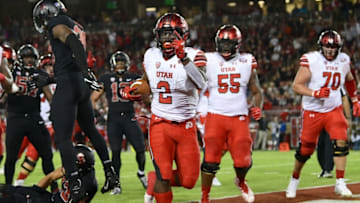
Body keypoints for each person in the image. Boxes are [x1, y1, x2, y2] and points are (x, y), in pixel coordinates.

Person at [32, 0, 118, 201]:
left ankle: (74, 184)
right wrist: (51, 78)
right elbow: (70, 59)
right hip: (78, 84)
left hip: (70, 85)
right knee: (91, 129)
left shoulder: (57, 24)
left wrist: (86, 70)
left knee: (63, 138)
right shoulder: (74, 23)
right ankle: (110, 173)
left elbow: (72, 41)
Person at [286, 30, 360, 198]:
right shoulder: (312, 60)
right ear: (321, 46)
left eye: (333, 47)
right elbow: (296, 86)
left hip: (333, 109)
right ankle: (294, 180)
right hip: (313, 110)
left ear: (338, 48)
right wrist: (315, 93)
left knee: (341, 141)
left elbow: (349, 79)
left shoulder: (343, 60)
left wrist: (355, 100)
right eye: (327, 46)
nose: (330, 50)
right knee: (305, 150)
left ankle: (340, 183)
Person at [142, 13, 207, 203]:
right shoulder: (151, 55)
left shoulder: (196, 55)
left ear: (183, 35)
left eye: (173, 34)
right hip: (160, 123)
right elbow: (146, 82)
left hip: (186, 125)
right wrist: (137, 90)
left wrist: (184, 58)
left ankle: (153, 178)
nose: (167, 38)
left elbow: (201, 83)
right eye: (164, 34)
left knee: (189, 180)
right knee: (164, 175)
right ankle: (159, 178)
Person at [200, 24, 263, 203]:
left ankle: (241, 181)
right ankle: (205, 196)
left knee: (243, 161)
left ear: (237, 44)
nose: (225, 47)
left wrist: (258, 106)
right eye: (223, 43)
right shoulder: (208, 59)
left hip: (239, 117)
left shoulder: (247, 61)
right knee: (210, 160)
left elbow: (257, 90)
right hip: (215, 116)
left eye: (229, 43)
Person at [91, 51, 147, 195]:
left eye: (123, 63)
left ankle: (141, 173)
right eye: (118, 63)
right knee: (115, 152)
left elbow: (146, 91)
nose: (120, 66)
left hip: (130, 117)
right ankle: (116, 184)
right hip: (113, 119)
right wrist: (98, 114)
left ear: (127, 64)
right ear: (113, 65)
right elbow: (93, 99)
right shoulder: (106, 78)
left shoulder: (133, 78)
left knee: (141, 148)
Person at [4, 44, 56, 187]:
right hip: (16, 117)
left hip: (34, 118)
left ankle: (54, 188)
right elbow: (2, 98)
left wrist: (56, 111)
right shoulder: (11, 73)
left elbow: (50, 96)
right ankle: (8, 189)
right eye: (26, 58)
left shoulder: (40, 74)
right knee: (11, 157)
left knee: (47, 155)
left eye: (31, 58)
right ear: (20, 59)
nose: (29, 61)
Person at [0, 144, 98, 203]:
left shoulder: (89, 185)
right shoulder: (74, 169)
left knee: (13, 199)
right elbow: (51, 177)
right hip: (50, 197)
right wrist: (36, 190)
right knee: (9, 189)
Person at [317, 88, 351, 178]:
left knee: (329, 142)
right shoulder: (318, 83)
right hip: (319, 117)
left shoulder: (338, 86)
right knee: (320, 144)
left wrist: (347, 117)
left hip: (333, 116)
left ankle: (327, 169)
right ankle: (324, 168)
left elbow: (345, 99)